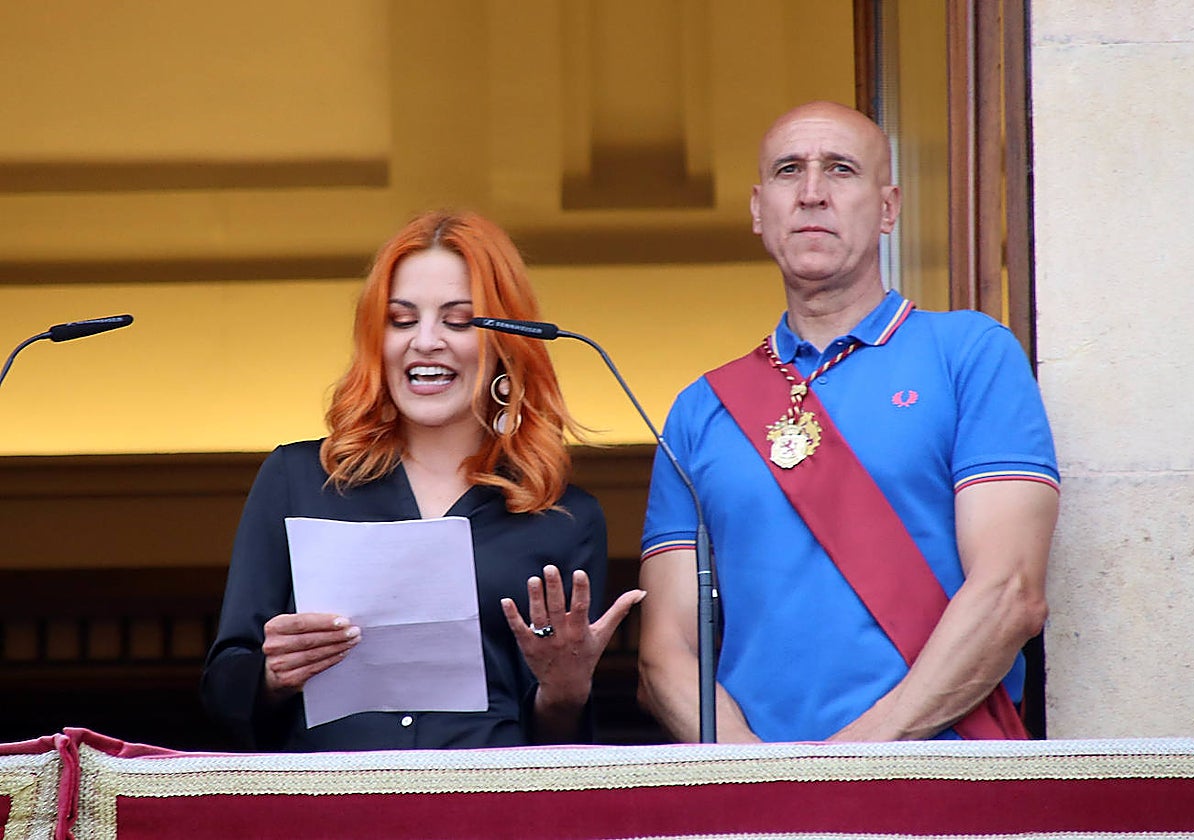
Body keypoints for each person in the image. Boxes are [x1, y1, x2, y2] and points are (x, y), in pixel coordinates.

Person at [637, 101, 1060, 743]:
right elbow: (665, 652)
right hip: (762, 797)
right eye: (788, 171)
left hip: (941, 779)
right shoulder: (700, 410)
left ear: (888, 207)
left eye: (840, 170)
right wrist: (757, 775)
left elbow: (1010, 592)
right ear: (758, 209)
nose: (811, 194)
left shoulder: (970, 355)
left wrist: (847, 764)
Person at [201, 210, 643, 751]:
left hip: (486, 811)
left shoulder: (563, 518)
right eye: (401, 320)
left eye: (458, 321)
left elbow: (558, 749)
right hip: (329, 808)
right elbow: (222, 693)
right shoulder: (296, 480)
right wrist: (271, 676)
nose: (425, 341)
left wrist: (565, 693)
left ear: (506, 342)